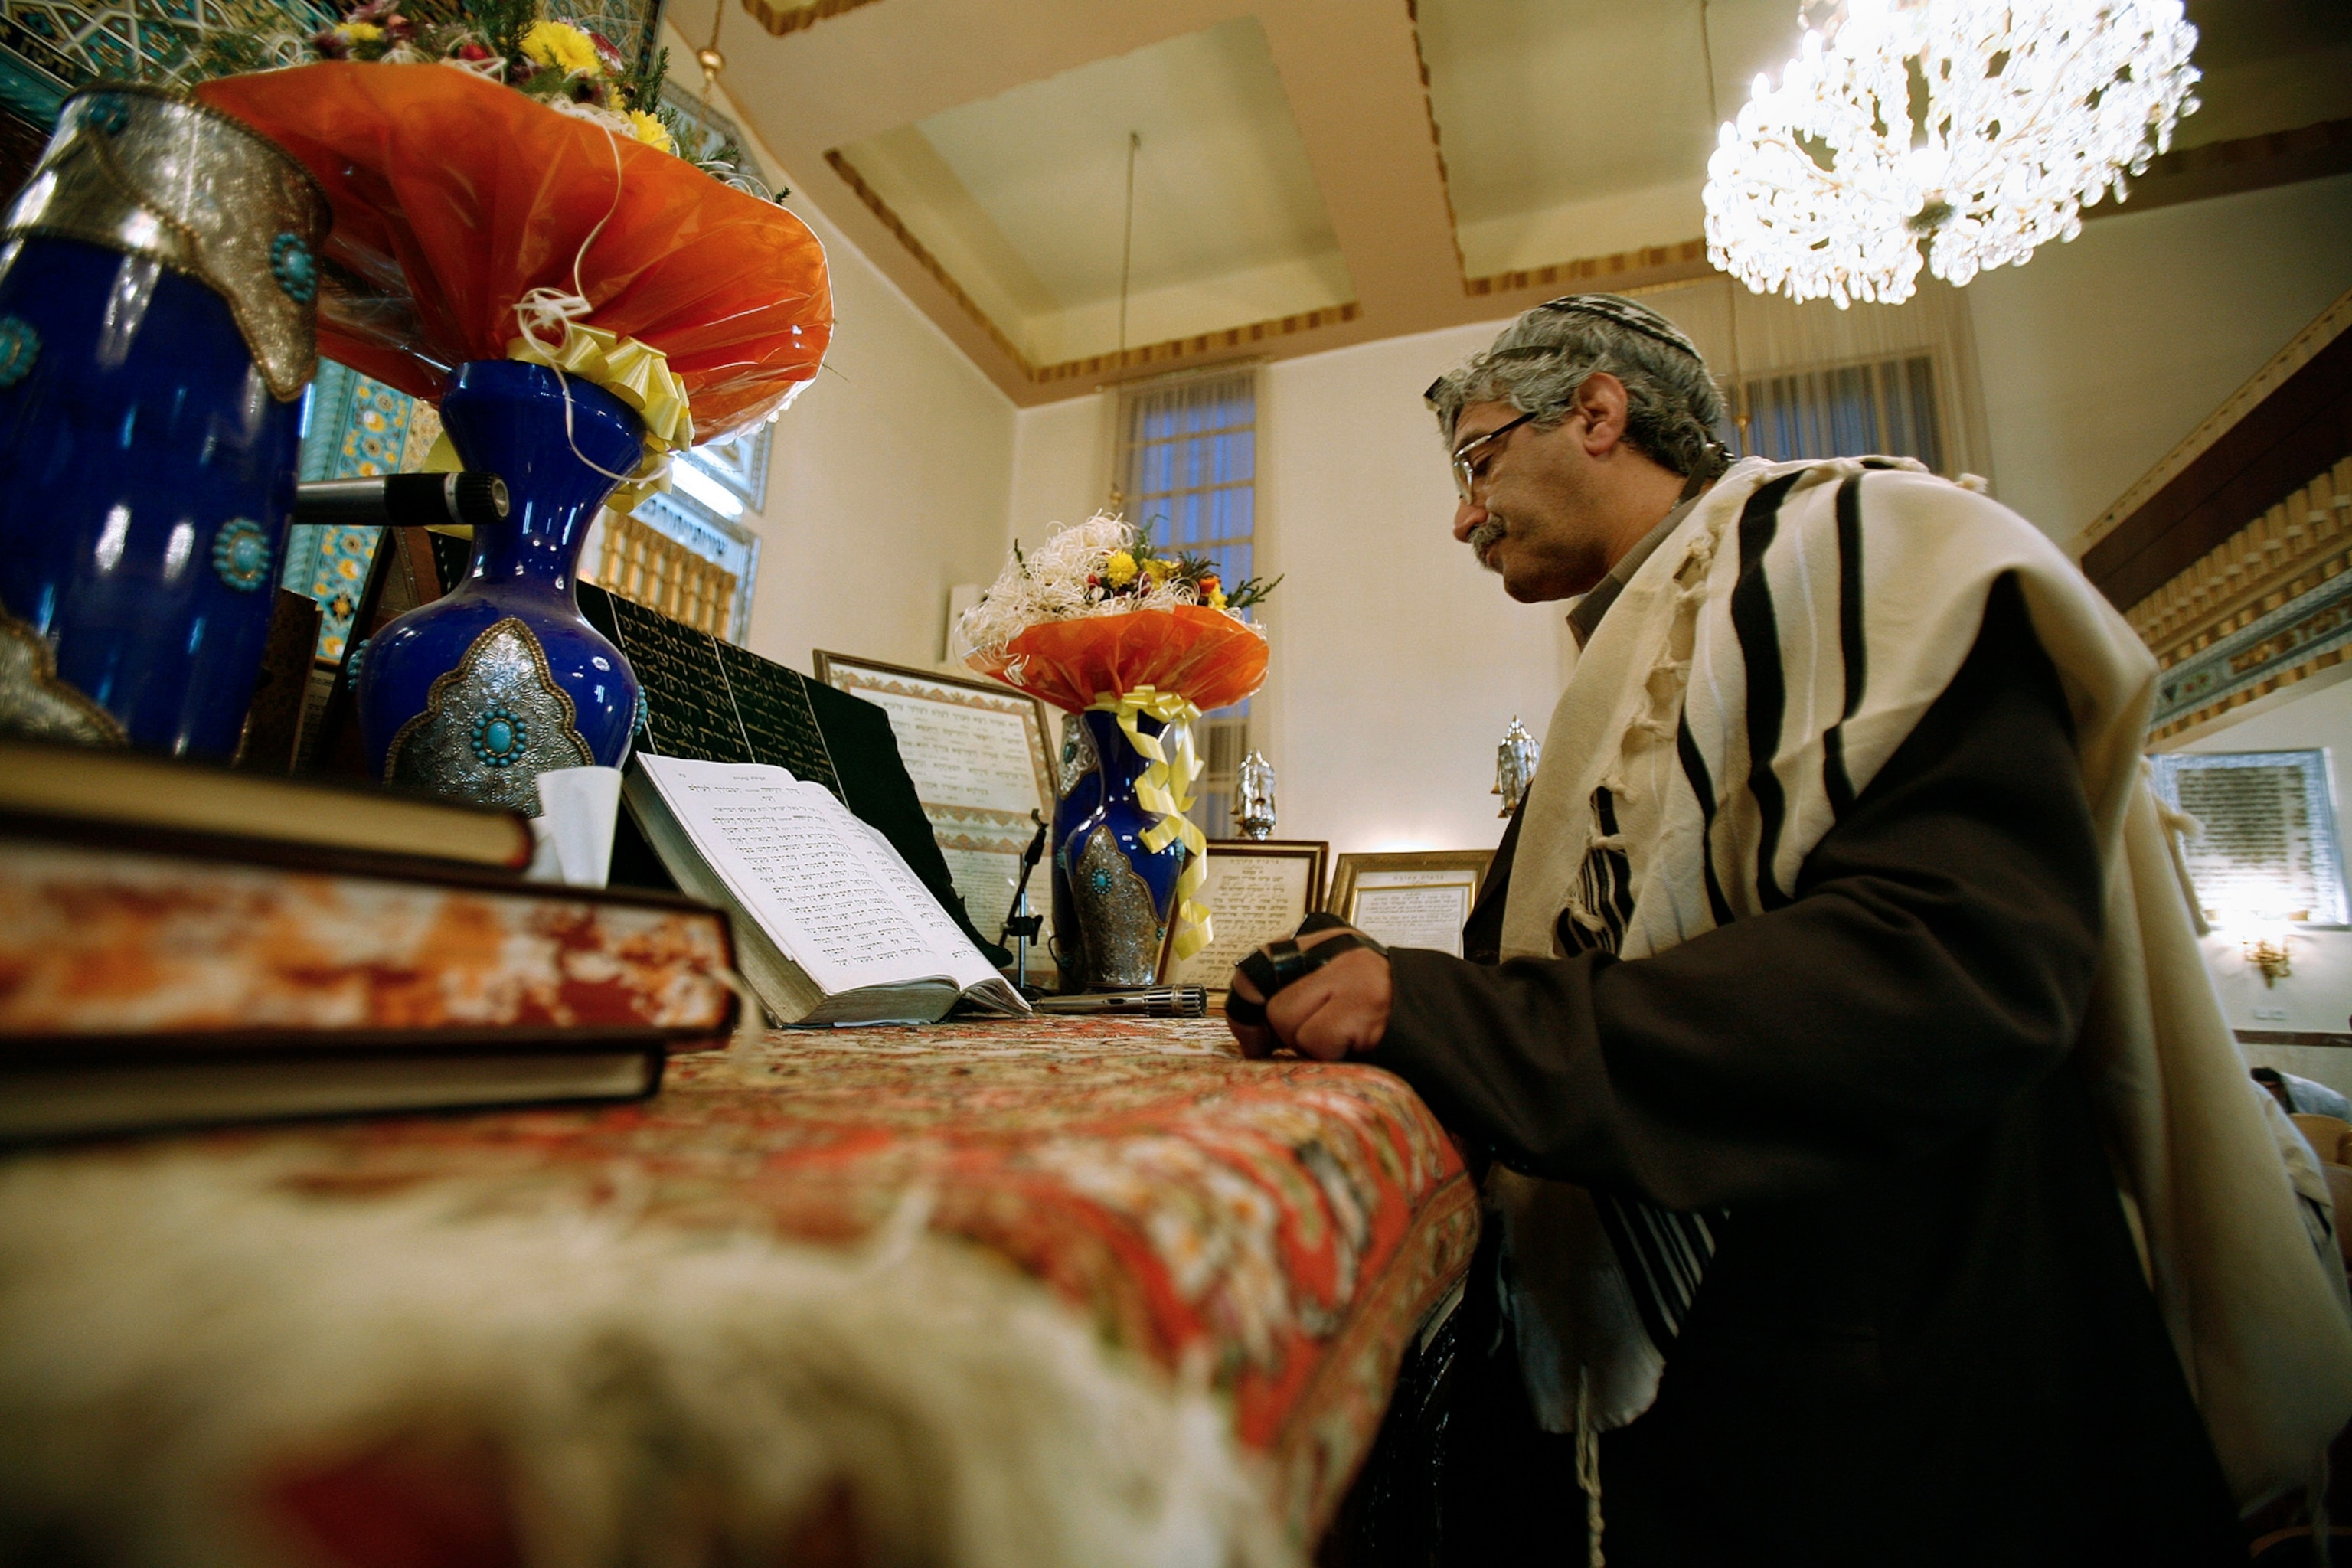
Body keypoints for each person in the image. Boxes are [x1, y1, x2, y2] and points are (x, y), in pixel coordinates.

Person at [1226, 296, 2352, 1566]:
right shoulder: (1621, 672)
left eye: (1478, 459)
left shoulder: (1873, 549)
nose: (1462, 515)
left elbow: (1938, 971)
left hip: (1903, 1416)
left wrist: (1437, 1010)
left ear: (1596, 412)